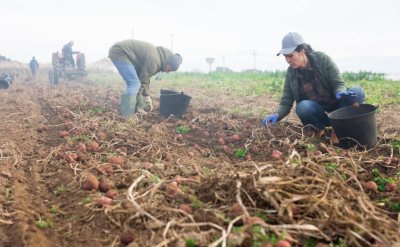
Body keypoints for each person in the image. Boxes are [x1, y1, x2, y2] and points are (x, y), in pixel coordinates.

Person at [262, 32, 365, 144]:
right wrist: (277, 114)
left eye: (290, 56)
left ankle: (337, 129)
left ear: (302, 51)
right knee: (303, 107)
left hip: (339, 107)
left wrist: (340, 92)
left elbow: (338, 82)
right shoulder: (291, 73)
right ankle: (318, 129)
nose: (288, 60)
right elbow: (286, 101)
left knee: (357, 92)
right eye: (285, 57)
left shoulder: (323, 60)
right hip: (319, 112)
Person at [108, 39, 182, 117]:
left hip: (123, 53)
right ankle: (127, 114)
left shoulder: (158, 59)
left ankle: (134, 108)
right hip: (120, 52)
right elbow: (143, 80)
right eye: (169, 69)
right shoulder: (155, 61)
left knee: (136, 83)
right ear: (168, 62)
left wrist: (147, 98)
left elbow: (145, 78)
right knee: (135, 83)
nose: (167, 72)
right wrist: (133, 106)